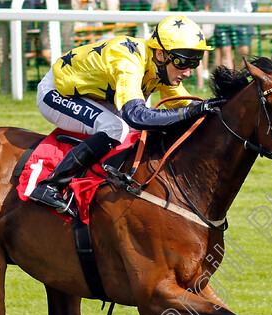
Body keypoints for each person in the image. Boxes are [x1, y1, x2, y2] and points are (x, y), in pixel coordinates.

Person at [29, 14, 224, 214]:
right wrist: (190, 111)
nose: (188, 72)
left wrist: (218, 110)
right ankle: (50, 186)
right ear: (160, 54)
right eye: (183, 63)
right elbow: (137, 116)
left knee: (146, 131)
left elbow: (184, 105)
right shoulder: (127, 62)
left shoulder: (162, 67)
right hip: (56, 93)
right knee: (115, 127)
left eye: (194, 63)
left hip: (96, 96)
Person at [205, 0, 254, 70]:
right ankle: (229, 78)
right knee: (225, 52)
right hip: (221, 17)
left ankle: (238, 76)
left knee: (243, 51)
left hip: (243, 15)